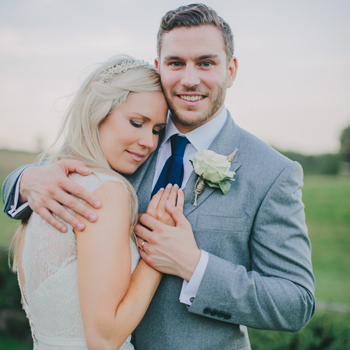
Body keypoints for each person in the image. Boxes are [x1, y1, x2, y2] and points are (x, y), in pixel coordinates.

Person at [3, 4, 315, 350]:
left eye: (206, 63)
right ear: (159, 67)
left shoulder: (273, 173)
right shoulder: (125, 134)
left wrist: (195, 266)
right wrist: (24, 180)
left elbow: (296, 303)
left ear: (231, 70)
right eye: (176, 63)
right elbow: (62, 168)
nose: (189, 78)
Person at [5, 54, 187, 349]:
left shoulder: (49, 188)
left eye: (156, 130)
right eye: (136, 122)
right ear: (97, 113)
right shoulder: (105, 190)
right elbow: (104, 338)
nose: (150, 142)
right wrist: (158, 252)